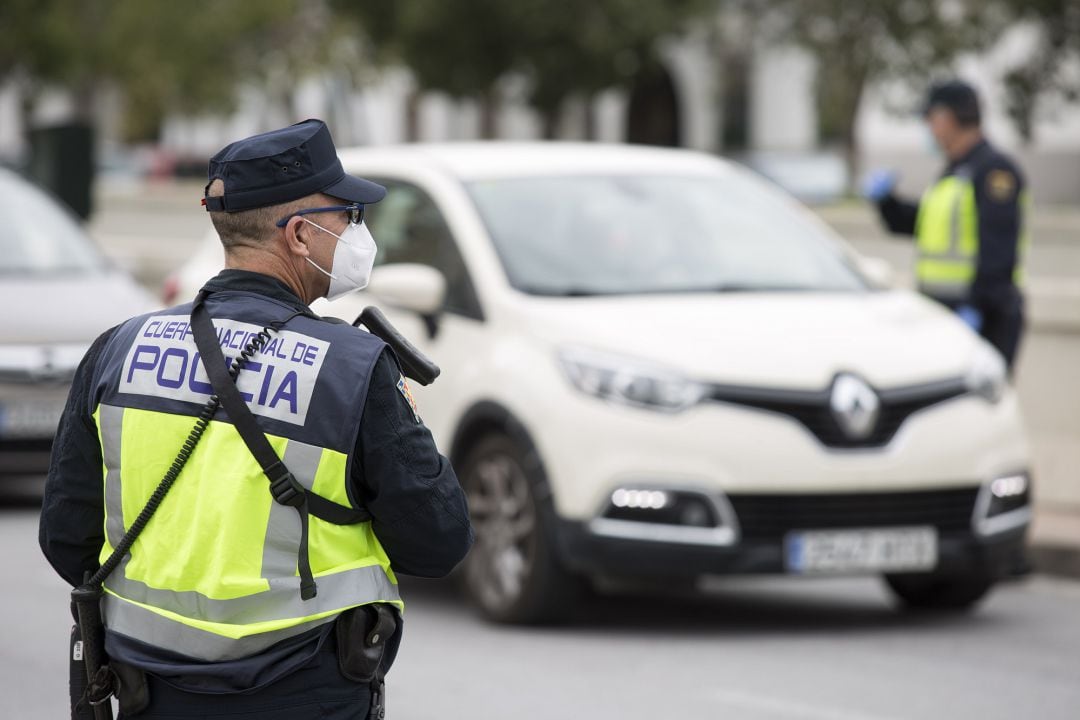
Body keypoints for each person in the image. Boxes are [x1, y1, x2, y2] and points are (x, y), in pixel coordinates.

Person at [40, 119, 474, 719]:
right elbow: (439, 542)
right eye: (349, 215)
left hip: (150, 691)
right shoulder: (351, 367)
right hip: (304, 692)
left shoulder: (119, 348)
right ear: (300, 234)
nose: (358, 231)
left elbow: (67, 538)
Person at [862, 80, 1029, 370]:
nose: (928, 127)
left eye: (930, 118)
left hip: (983, 316)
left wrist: (976, 308)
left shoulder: (994, 171)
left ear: (949, 117)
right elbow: (925, 226)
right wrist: (887, 203)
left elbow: (998, 252)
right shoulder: (956, 170)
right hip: (946, 312)